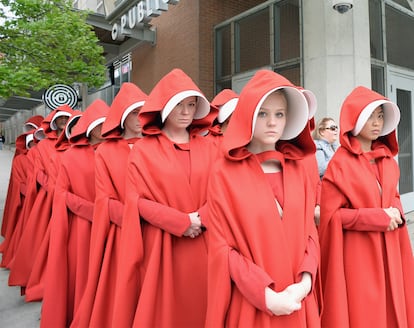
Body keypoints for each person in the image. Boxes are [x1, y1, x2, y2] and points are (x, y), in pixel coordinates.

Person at [205, 69, 321, 327]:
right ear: (248, 115)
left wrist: (305, 282)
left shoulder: (298, 168)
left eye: (279, 114)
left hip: (298, 299)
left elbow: (310, 235)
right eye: (263, 113)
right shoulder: (224, 172)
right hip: (253, 304)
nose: (272, 122)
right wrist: (265, 296)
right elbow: (221, 247)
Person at [112, 68, 218, 327]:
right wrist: (181, 222)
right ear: (163, 107)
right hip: (163, 243)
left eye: (191, 105)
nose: (185, 112)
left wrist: (199, 218)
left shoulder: (210, 147)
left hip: (208, 239)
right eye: (178, 105)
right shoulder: (143, 150)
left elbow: (223, 190)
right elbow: (136, 200)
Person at [318, 86, 414, 327]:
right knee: (365, 313)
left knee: (393, 307)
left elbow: (394, 198)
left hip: (391, 248)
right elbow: (332, 217)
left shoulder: (387, 160)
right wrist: (375, 218)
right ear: (355, 119)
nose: (377, 123)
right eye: (370, 116)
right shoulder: (340, 164)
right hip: (359, 254)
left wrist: (395, 212)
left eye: (380, 116)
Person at [73, 82, 147, 328]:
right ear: (123, 117)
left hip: (159, 232)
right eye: (134, 113)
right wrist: (137, 219)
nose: (139, 118)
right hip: (122, 232)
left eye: (143, 111)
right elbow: (104, 199)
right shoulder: (106, 151)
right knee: (125, 289)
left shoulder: (155, 145)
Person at [40, 100, 109, 327]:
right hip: (84, 225)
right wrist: (96, 212)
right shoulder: (71, 155)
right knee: (86, 274)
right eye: (97, 125)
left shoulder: (117, 150)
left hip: (113, 224)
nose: (102, 129)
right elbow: (61, 195)